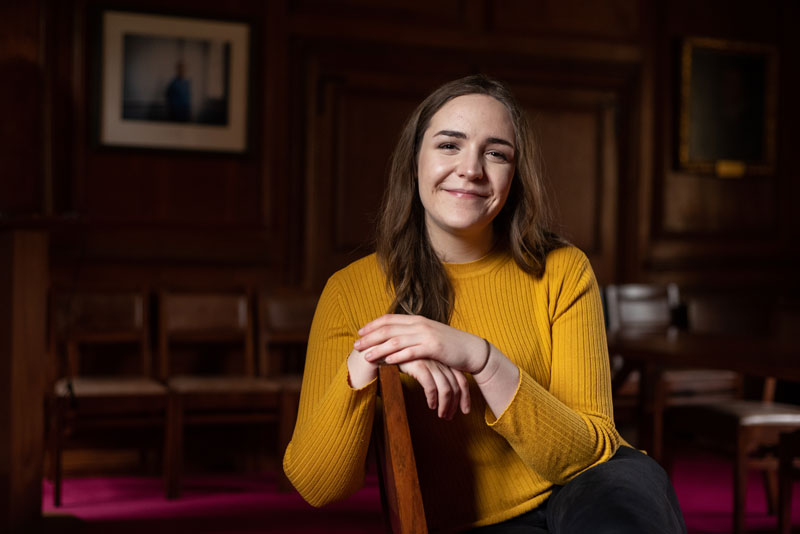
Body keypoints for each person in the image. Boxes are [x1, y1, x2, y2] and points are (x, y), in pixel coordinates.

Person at [283, 74, 686, 533]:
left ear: (513, 176)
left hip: (587, 490)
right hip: (479, 522)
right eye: (449, 145)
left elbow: (590, 455)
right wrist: (370, 354)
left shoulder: (563, 268)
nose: (471, 169)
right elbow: (318, 486)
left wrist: (483, 359)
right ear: (414, 160)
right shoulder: (351, 291)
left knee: (628, 491)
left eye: (496, 153)